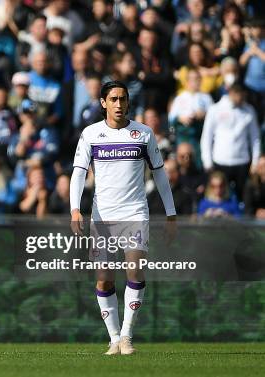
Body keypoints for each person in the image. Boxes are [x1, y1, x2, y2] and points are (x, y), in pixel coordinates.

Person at [69, 81, 176, 355]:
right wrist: (75, 209)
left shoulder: (143, 134)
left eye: (123, 99)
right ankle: (113, 338)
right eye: (113, 99)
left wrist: (171, 214)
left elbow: (160, 174)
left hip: (135, 212)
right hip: (103, 215)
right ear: (103, 103)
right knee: (104, 279)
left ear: (128, 102)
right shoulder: (91, 134)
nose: (119, 104)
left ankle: (127, 336)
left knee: (135, 271)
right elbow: (79, 173)